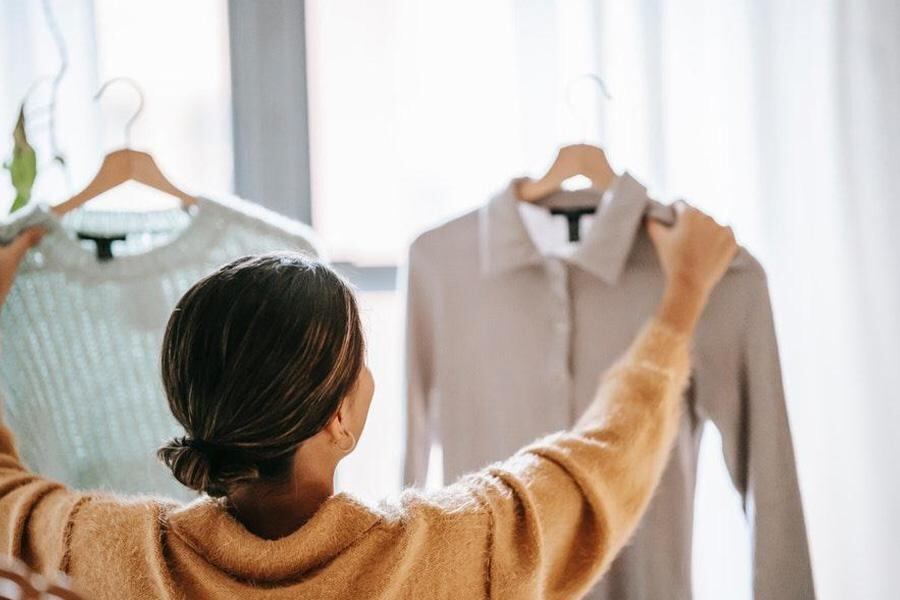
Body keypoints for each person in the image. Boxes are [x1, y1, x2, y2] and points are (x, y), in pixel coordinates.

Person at [0, 203, 736, 599]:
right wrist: (683, 295)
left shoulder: (106, 552)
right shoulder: (453, 552)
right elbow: (607, 455)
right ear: (339, 419)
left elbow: (7, 496)